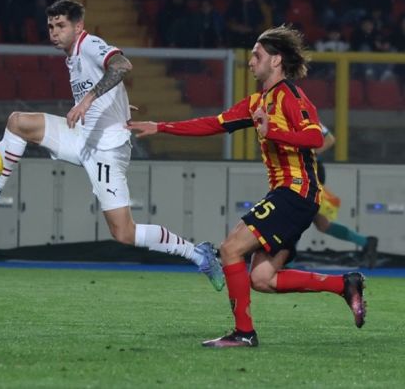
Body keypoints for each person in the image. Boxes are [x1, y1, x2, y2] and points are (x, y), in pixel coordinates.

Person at [0, 0, 225, 291]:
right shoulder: (72, 56)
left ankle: (198, 254)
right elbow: (107, 80)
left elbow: (121, 65)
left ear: (78, 27)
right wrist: (116, 105)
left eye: (61, 26)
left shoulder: (89, 44)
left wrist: (88, 100)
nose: (54, 32)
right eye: (50, 26)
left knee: (124, 232)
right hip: (82, 136)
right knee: (18, 122)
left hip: (107, 151)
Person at [127, 25, 366, 348]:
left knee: (230, 249)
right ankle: (344, 285)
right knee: (262, 279)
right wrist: (161, 127)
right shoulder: (257, 102)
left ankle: (244, 333)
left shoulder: (291, 96)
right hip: (286, 193)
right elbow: (213, 123)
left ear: (276, 60)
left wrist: (273, 132)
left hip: (297, 191)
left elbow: (315, 137)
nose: (251, 61)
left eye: (257, 55)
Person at [309, 124, 378, 267]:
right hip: (300, 171)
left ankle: (287, 263)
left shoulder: (307, 117)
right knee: (321, 223)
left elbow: (329, 139)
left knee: (295, 215)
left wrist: (309, 155)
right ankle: (366, 242)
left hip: (309, 171)